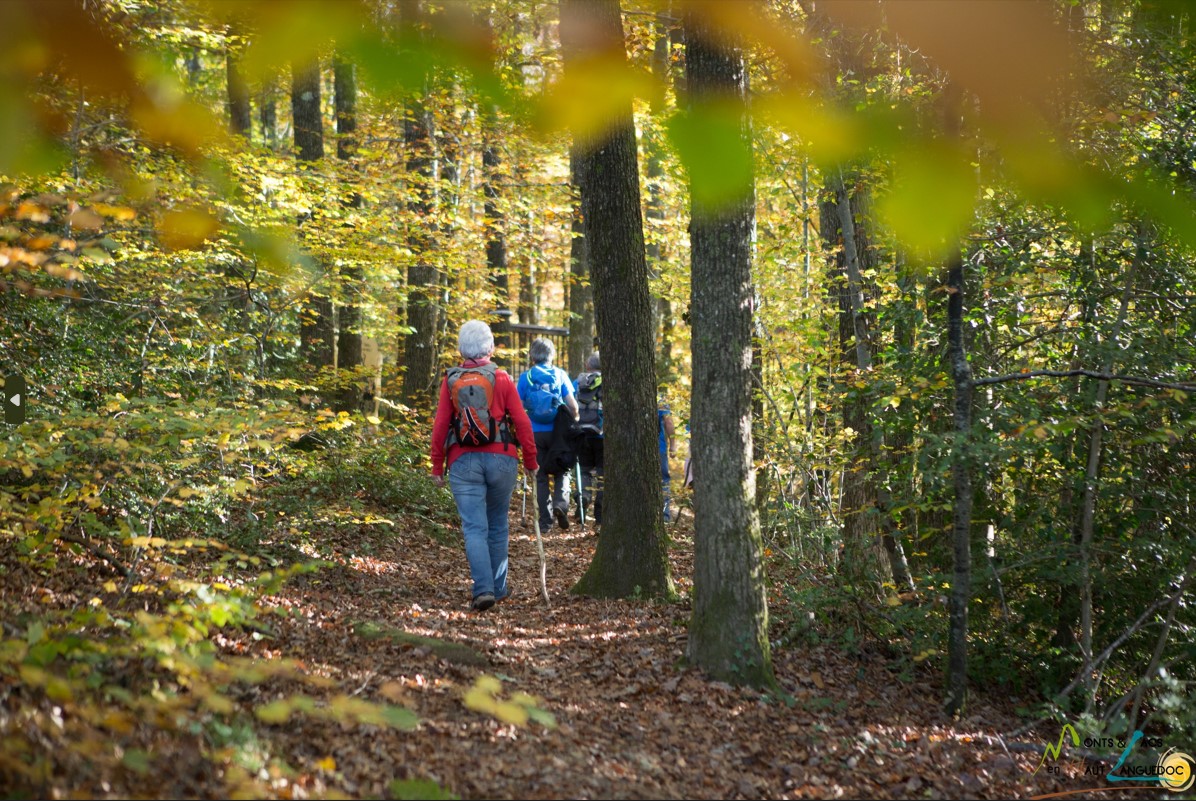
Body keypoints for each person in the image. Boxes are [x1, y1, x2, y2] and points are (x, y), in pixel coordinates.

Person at [431, 320, 537, 612]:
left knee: (475, 528)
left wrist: (437, 465)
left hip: (462, 460)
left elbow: (441, 425)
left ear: (461, 348)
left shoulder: (451, 379)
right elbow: (522, 421)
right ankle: (499, 588)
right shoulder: (501, 377)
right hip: (502, 458)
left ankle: (483, 590)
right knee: (498, 524)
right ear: (489, 347)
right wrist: (531, 460)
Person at [517, 338, 579, 532]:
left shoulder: (525, 377)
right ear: (551, 354)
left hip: (534, 433)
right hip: (557, 433)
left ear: (532, 355)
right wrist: (574, 419)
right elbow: (573, 405)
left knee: (540, 475)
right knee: (563, 470)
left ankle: (545, 522)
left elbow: (517, 407)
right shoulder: (559, 375)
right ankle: (561, 505)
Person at [573, 352, 604, 525]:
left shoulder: (578, 382)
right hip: (602, 434)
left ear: (588, 366)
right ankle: (600, 516)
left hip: (582, 433)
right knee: (602, 475)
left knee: (584, 471)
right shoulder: (609, 382)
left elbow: (568, 402)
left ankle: (583, 498)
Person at [658, 397, 676, 522]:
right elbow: (668, 422)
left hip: (636, 450)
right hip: (660, 448)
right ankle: (664, 517)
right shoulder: (660, 400)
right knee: (664, 481)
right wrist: (673, 445)